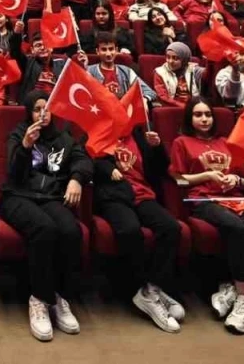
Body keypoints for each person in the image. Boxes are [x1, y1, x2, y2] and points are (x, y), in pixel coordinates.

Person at [170, 97, 244, 335]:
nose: (204, 119)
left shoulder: (227, 142)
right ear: (189, 118)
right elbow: (178, 177)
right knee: (235, 227)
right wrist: (207, 176)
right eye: (198, 114)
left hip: (236, 198)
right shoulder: (181, 142)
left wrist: (235, 180)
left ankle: (234, 287)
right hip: (203, 199)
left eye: (207, 114)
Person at [0, 90, 92, 342]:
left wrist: (76, 179)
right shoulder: (19, 134)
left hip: (51, 197)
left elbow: (83, 160)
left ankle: (60, 296)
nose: (43, 114)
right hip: (17, 196)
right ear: (29, 112)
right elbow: (13, 174)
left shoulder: (63, 137)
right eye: (37, 109)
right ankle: (39, 298)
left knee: (71, 231)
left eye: (47, 108)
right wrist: (25, 146)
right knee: (44, 229)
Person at [92, 118, 187, 333]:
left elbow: (161, 170)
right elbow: (86, 158)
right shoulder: (99, 133)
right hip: (115, 197)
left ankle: (153, 288)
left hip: (143, 195)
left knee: (171, 228)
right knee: (130, 230)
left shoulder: (139, 137)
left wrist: (157, 148)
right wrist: (107, 168)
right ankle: (142, 288)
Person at [151, 41, 204, 107]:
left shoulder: (193, 69)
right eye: (168, 57)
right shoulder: (160, 72)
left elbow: (206, 74)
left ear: (184, 60)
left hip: (193, 107)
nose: (170, 61)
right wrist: (185, 107)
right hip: (172, 108)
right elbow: (163, 97)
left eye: (175, 58)